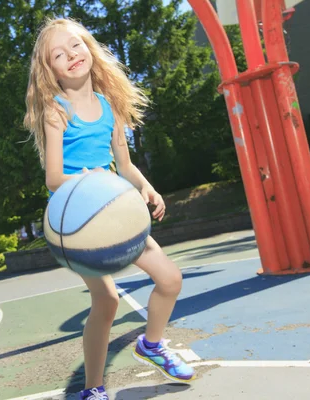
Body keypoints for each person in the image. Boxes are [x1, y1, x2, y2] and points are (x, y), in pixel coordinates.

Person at [23, 17, 195, 400]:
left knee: (170, 279)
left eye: (76, 46)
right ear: (49, 69)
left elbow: (126, 164)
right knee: (108, 300)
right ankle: (93, 389)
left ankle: (151, 344)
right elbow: (53, 178)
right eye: (58, 55)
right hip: (78, 222)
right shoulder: (56, 111)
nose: (70, 56)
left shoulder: (109, 108)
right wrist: (94, 182)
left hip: (115, 213)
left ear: (90, 49)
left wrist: (148, 189)